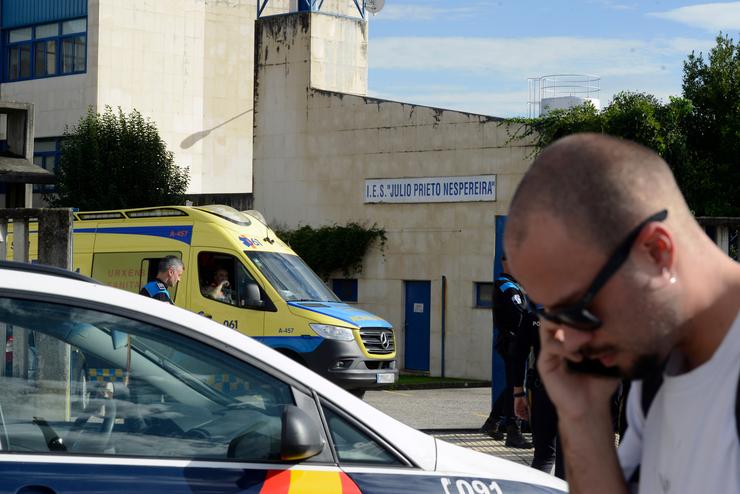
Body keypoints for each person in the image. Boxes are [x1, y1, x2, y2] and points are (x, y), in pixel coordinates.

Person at [504, 133, 740, 493]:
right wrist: (584, 419)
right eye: (552, 315)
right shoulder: (656, 374)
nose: (566, 338)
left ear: (656, 251)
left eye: (577, 308)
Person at [480, 253, 533, 449]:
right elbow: (520, 317)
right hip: (513, 343)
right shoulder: (508, 288)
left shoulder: (512, 285)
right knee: (516, 387)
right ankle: (513, 431)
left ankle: (493, 422)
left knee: (513, 384)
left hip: (513, 342)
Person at [510, 296, 565, 478]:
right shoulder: (586, 319)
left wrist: (518, 394)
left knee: (544, 455)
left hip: (543, 392)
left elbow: (518, 357)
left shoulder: (533, 318)